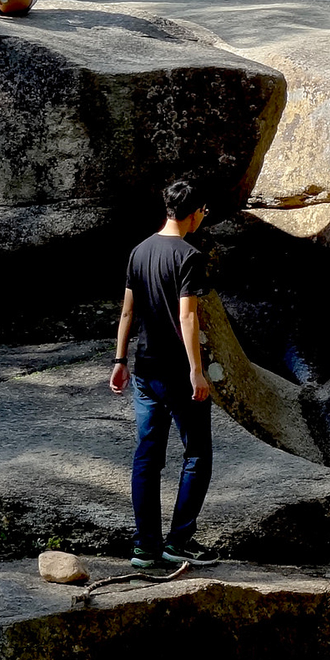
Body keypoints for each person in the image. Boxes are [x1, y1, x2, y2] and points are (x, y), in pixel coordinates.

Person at [109, 179, 219, 570]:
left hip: (144, 369)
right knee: (198, 455)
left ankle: (145, 548)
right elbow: (187, 316)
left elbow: (127, 312)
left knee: (147, 457)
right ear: (193, 213)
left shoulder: (139, 252)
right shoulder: (190, 256)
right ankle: (178, 542)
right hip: (177, 373)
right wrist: (197, 371)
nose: (203, 218)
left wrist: (120, 360)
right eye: (203, 212)